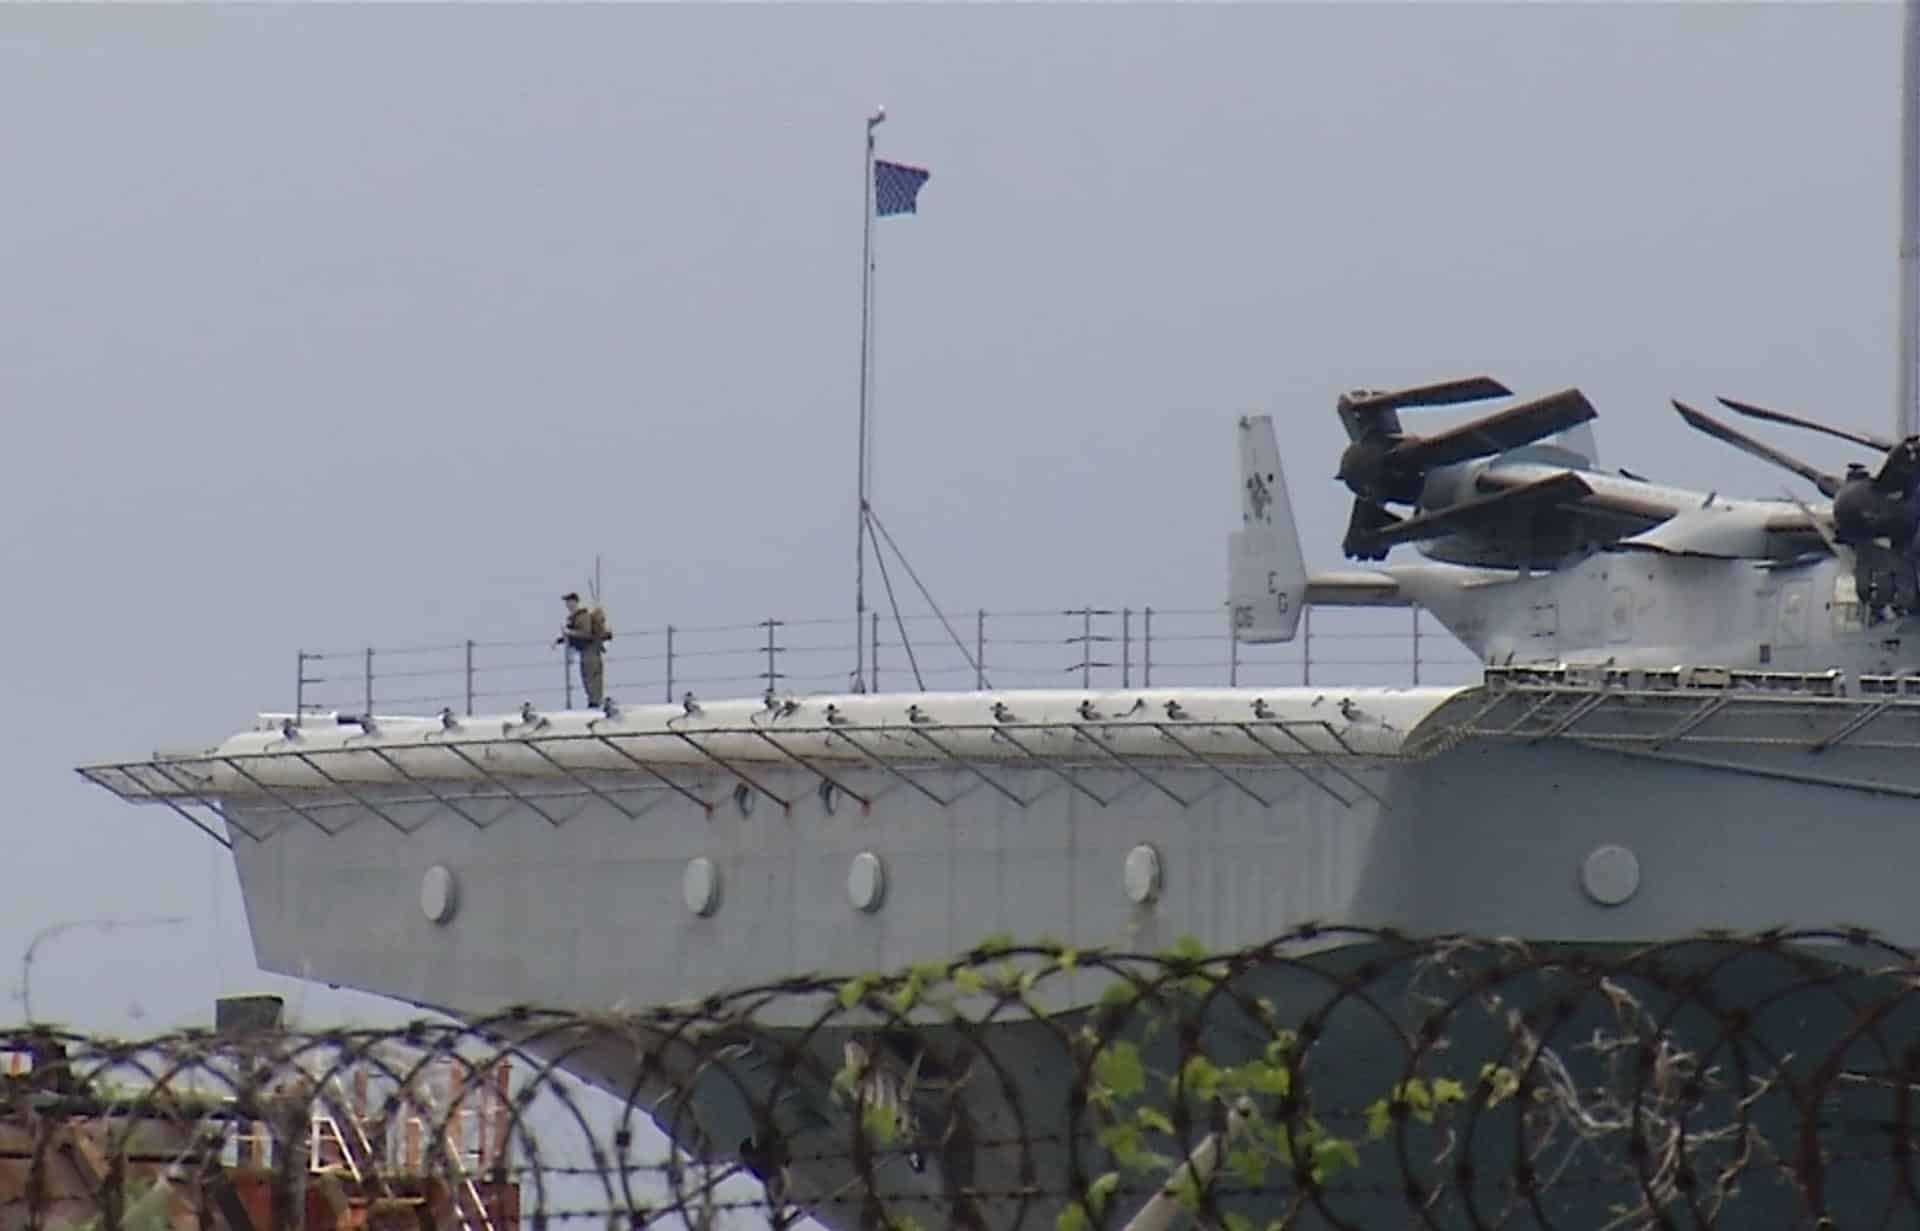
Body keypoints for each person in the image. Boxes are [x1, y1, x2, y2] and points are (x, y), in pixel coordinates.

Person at [557, 592, 608, 707]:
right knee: (587, 675)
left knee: (591, 675)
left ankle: (595, 702)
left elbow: (586, 633)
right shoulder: (575, 616)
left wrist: (570, 632)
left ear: (575, 602)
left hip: (590, 649)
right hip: (585, 650)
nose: (567, 605)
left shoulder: (582, 615)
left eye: (569, 602)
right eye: (567, 602)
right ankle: (593, 700)